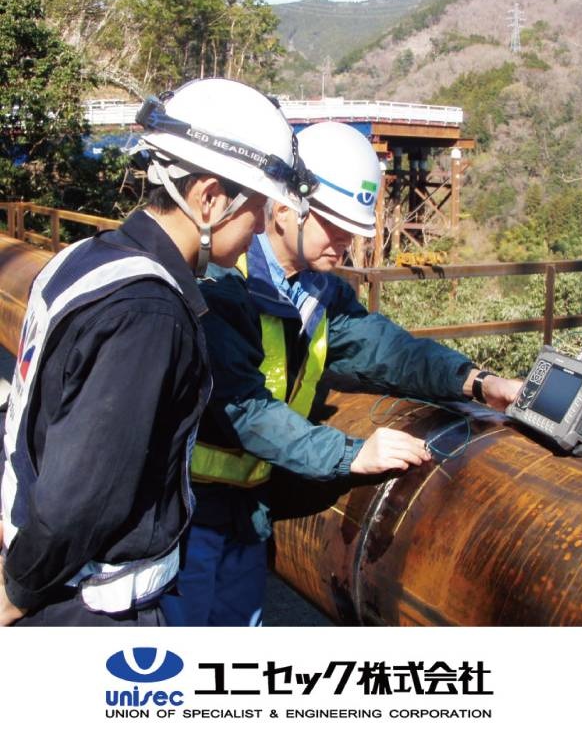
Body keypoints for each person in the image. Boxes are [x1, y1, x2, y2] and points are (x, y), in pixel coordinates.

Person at [160, 121, 522, 627]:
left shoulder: (316, 292)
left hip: (249, 503)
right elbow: (244, 410)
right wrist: (353, 453)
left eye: (353, 228)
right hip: (183, 508)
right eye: (334, 224)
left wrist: (479, 383)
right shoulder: (221, 281)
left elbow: (387, 351)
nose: (347, 242)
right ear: (285, 208)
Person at [0, 77, 311, 626]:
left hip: (46, 573)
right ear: (210, 197)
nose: (263, 225)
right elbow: (82, 497)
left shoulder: (86, 258)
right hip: (87, 607)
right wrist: (17, 592)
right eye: (258, 206)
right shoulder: (150, 314)